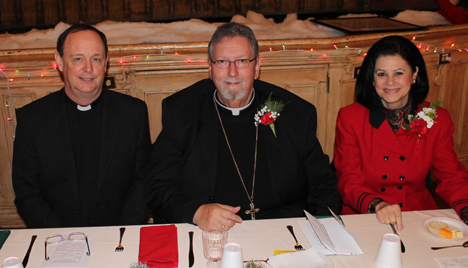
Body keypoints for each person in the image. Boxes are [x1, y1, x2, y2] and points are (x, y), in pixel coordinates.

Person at [147, 22, 340, 231]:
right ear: (210, 68)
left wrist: (322, 234)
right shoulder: (182, 112)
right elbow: (157, 186)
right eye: (222, 61)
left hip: (285, 231)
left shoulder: (294, 113)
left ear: (256, 67)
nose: (232, 72)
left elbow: (324, 186)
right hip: (211, 233)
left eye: (241, 61)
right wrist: (196, 212)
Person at [334, 35, 468, 243]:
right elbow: (348, 180)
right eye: (381, 73)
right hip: (365, 213)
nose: (390, 82)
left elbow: (452, 176)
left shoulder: (436, 118)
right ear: (372, 79)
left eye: (399, 73)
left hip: (416, 217)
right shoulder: (351, 117)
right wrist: (378, 204)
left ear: (414, 75)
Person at [12, 24, 151, 228]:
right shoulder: (32, 119)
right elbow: (27, 193)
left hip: (119, 234)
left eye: (96, 59)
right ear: (59, 62)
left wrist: (119, 232)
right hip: (56, 237)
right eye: (78, 58)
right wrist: (63, 238)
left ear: (106, 64)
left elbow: (143, 183)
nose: (88, 68)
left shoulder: (133, 113)